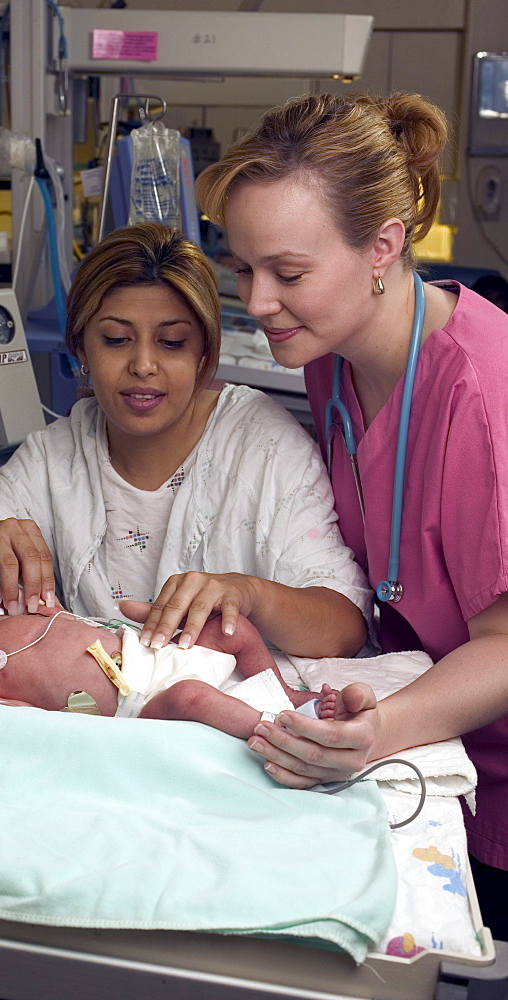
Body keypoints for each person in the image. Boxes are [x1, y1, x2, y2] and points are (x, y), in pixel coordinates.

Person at [192, 91, 508, 938]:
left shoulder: (479, 396)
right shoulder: (333, 359)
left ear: (382, 246)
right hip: (433, 744)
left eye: (287, 274)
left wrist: (379, 732)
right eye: (243, 269)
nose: (258, 302)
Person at [0, 222, 371, 661]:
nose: (143, 365)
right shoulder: (56, 456)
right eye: (116, 339)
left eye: (171, 343)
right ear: (82, 349)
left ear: (205, 352)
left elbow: (346, 626)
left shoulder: (263, 447)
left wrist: (251, 594)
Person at [0, 574, 338, 740]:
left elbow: (51, 618)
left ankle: (287, 691)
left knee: (234, 631)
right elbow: (13, 721)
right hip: (139, 703)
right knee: (194, 698)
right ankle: (284, 727)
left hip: (151, 650)